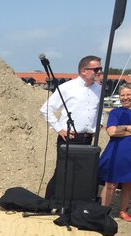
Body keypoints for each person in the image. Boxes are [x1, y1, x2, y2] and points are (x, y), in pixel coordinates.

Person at [40, 55, 102, 198]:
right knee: (62, 171)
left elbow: (99, 110)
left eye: (100, 68)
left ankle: (73, 203)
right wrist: (59, 129)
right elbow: (46, 109)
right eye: (96, 69)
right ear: (83, 71)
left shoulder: (98, 89)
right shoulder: (67, 87)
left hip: (87, 138)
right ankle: (49, 203)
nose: (99, 72)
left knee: (82, 173)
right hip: (70, 137)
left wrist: (99, 124)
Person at [98, 83, 131, 221]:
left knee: (129, 185)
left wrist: (122, 129)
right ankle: (103, 211)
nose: (125, 98)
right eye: (122, 95)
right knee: (111, 184)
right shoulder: (115, 112)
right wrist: (129, 128)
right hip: (117, 153)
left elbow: (117, 130)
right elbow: (111, 131)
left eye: (128, 94)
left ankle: (123, 211)